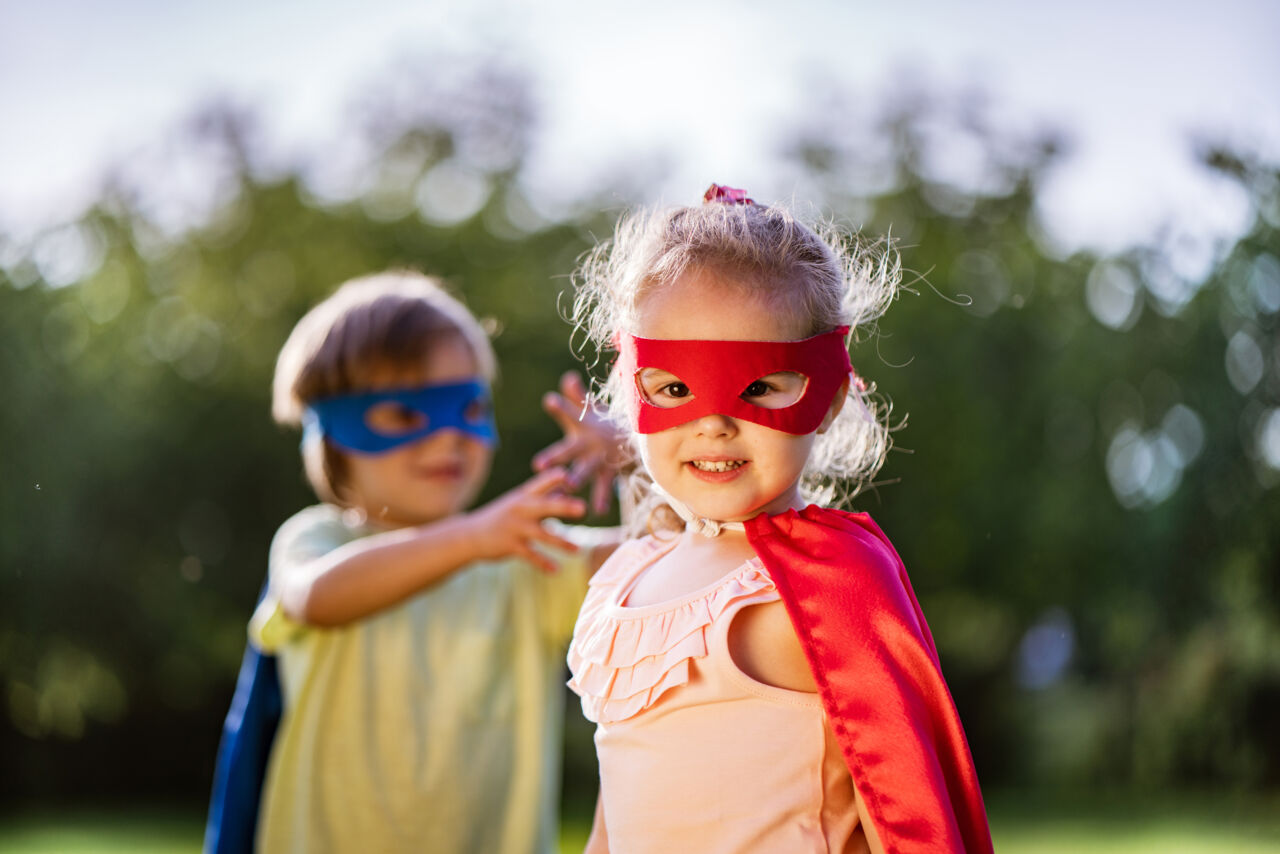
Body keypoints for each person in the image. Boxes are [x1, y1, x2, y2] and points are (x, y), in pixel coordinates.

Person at [565, 185, 993, 853]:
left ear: (827, 399)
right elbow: (610, 823)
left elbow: (901, 809)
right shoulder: (627, 576)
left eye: (760, 387)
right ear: (631, 391)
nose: (712, 423)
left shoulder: (835, 582)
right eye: (674, 388)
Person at [206, 270, 620, 854]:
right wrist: (472, 538)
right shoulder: (318, 540)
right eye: (404, 414)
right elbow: (317, 599)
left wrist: (641, 460)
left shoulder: (521, 554)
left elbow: (670, 562)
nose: (448, 438)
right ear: (330, 435)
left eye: (468, 406)